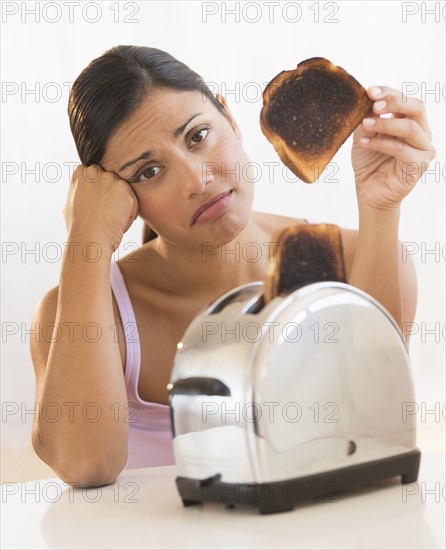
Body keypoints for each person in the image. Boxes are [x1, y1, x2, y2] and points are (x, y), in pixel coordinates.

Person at [29, 45, 435, 487]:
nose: (196, 180)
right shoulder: (80, 312)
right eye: (148, 172)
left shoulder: (356, 260)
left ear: (230, 118)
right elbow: (86, 464)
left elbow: (377, 441)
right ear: (116, 198)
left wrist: (380, 210)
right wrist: (86, 241)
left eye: (198, 136)